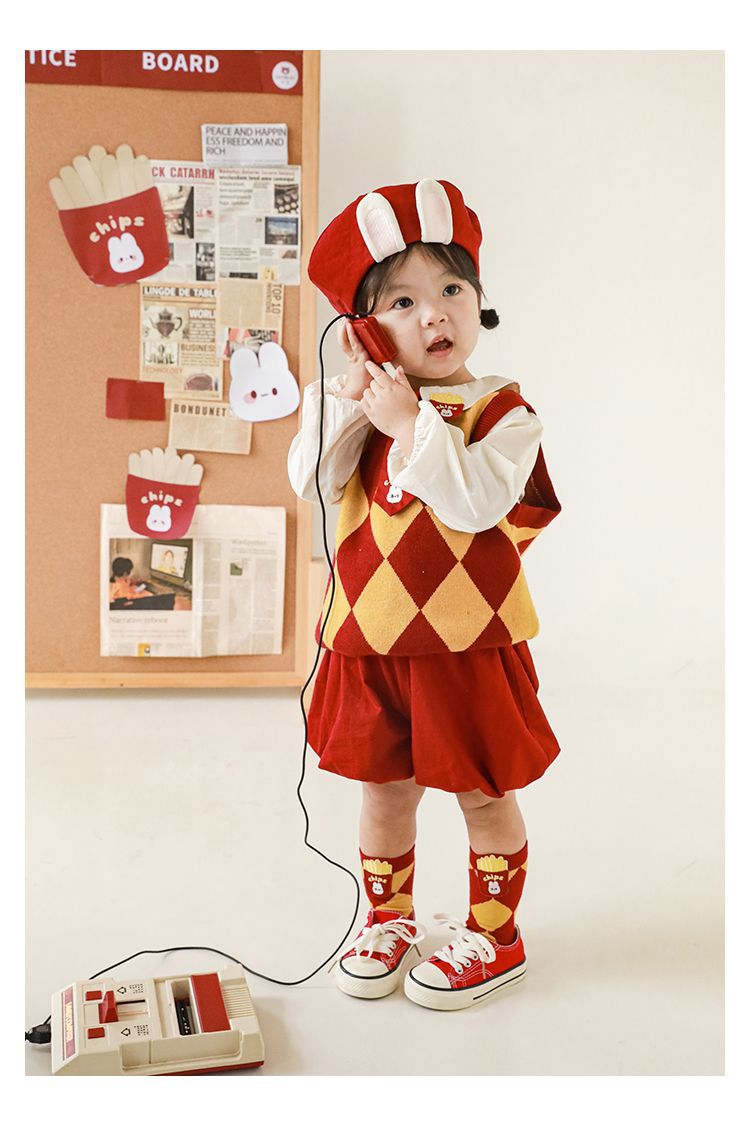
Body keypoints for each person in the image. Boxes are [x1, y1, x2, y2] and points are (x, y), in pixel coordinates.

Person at [287, 179, 561, 1011]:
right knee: (384, 789)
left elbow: (476, 505)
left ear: (479, 298)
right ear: (366, 325)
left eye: (451, 288)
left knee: (483, 790)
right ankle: (388, 919)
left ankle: (496, 935)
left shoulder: (503, 412)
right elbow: (313, 483)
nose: (434, 314)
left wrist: (413, 424)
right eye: (401, 302)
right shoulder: (359, 404)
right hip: (369, 637)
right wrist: (356, 398)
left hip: (468, 642)